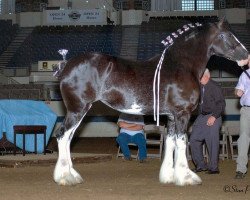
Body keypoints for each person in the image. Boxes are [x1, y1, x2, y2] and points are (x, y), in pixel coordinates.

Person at [190, 69, 226, 174]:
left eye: (200, 76)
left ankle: (213, 168)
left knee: (212, 142)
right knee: (194, 139)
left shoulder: (214, 86)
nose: (198, 78)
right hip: (202, 116)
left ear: (207, 76)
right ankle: (200, 165)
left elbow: (221, 103)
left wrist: (214, 116)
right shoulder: (199, 86)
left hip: (213, 115)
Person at [234, 66, 250, 179]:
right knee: (243, 138)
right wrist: (238, 92)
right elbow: (238, 91)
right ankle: (241, 169)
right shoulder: (245, 74)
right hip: (247, 110)